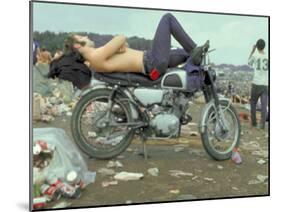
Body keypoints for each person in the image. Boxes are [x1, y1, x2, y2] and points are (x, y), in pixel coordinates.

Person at [63, 13, 205, 81]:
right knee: (167, 18)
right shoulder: (95, 57)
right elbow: (121, 38)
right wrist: (119, 42)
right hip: (152, 62)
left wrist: (120, 45)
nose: (86, 37)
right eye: (82, 38)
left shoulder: (96, 56)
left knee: (187, 55)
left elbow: (123, 45)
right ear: (77, 45)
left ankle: (194, 54)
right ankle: (195, 50)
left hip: (153, 61)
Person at [248, 39, 268, 129]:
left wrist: (252, 50)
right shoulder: (268, 56)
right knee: (264, 105)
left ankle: (254, 123)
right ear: (264, 46)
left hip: (256, 83)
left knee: (253, 103)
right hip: (265, 83)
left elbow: (249, 63)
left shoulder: (255, 55)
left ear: (257, 46)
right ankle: (262, 124)